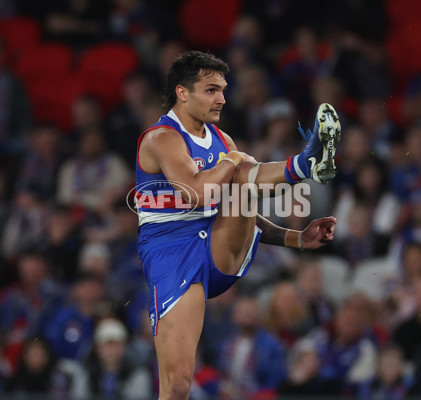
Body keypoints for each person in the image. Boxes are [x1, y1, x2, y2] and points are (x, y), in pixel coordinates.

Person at [135, 51, 340, 400]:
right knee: (178, 385)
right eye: (211, 90)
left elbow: (242, 202)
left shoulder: (223, 141)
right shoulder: (160, 138)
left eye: (223, 89)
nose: (222, 99)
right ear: (183, 93)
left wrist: (297, 239)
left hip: (217, 246)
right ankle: (305, 163)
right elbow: (199, 193)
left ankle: (307, 164)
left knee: (244, 176)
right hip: (170, 252)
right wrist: (233, 160)